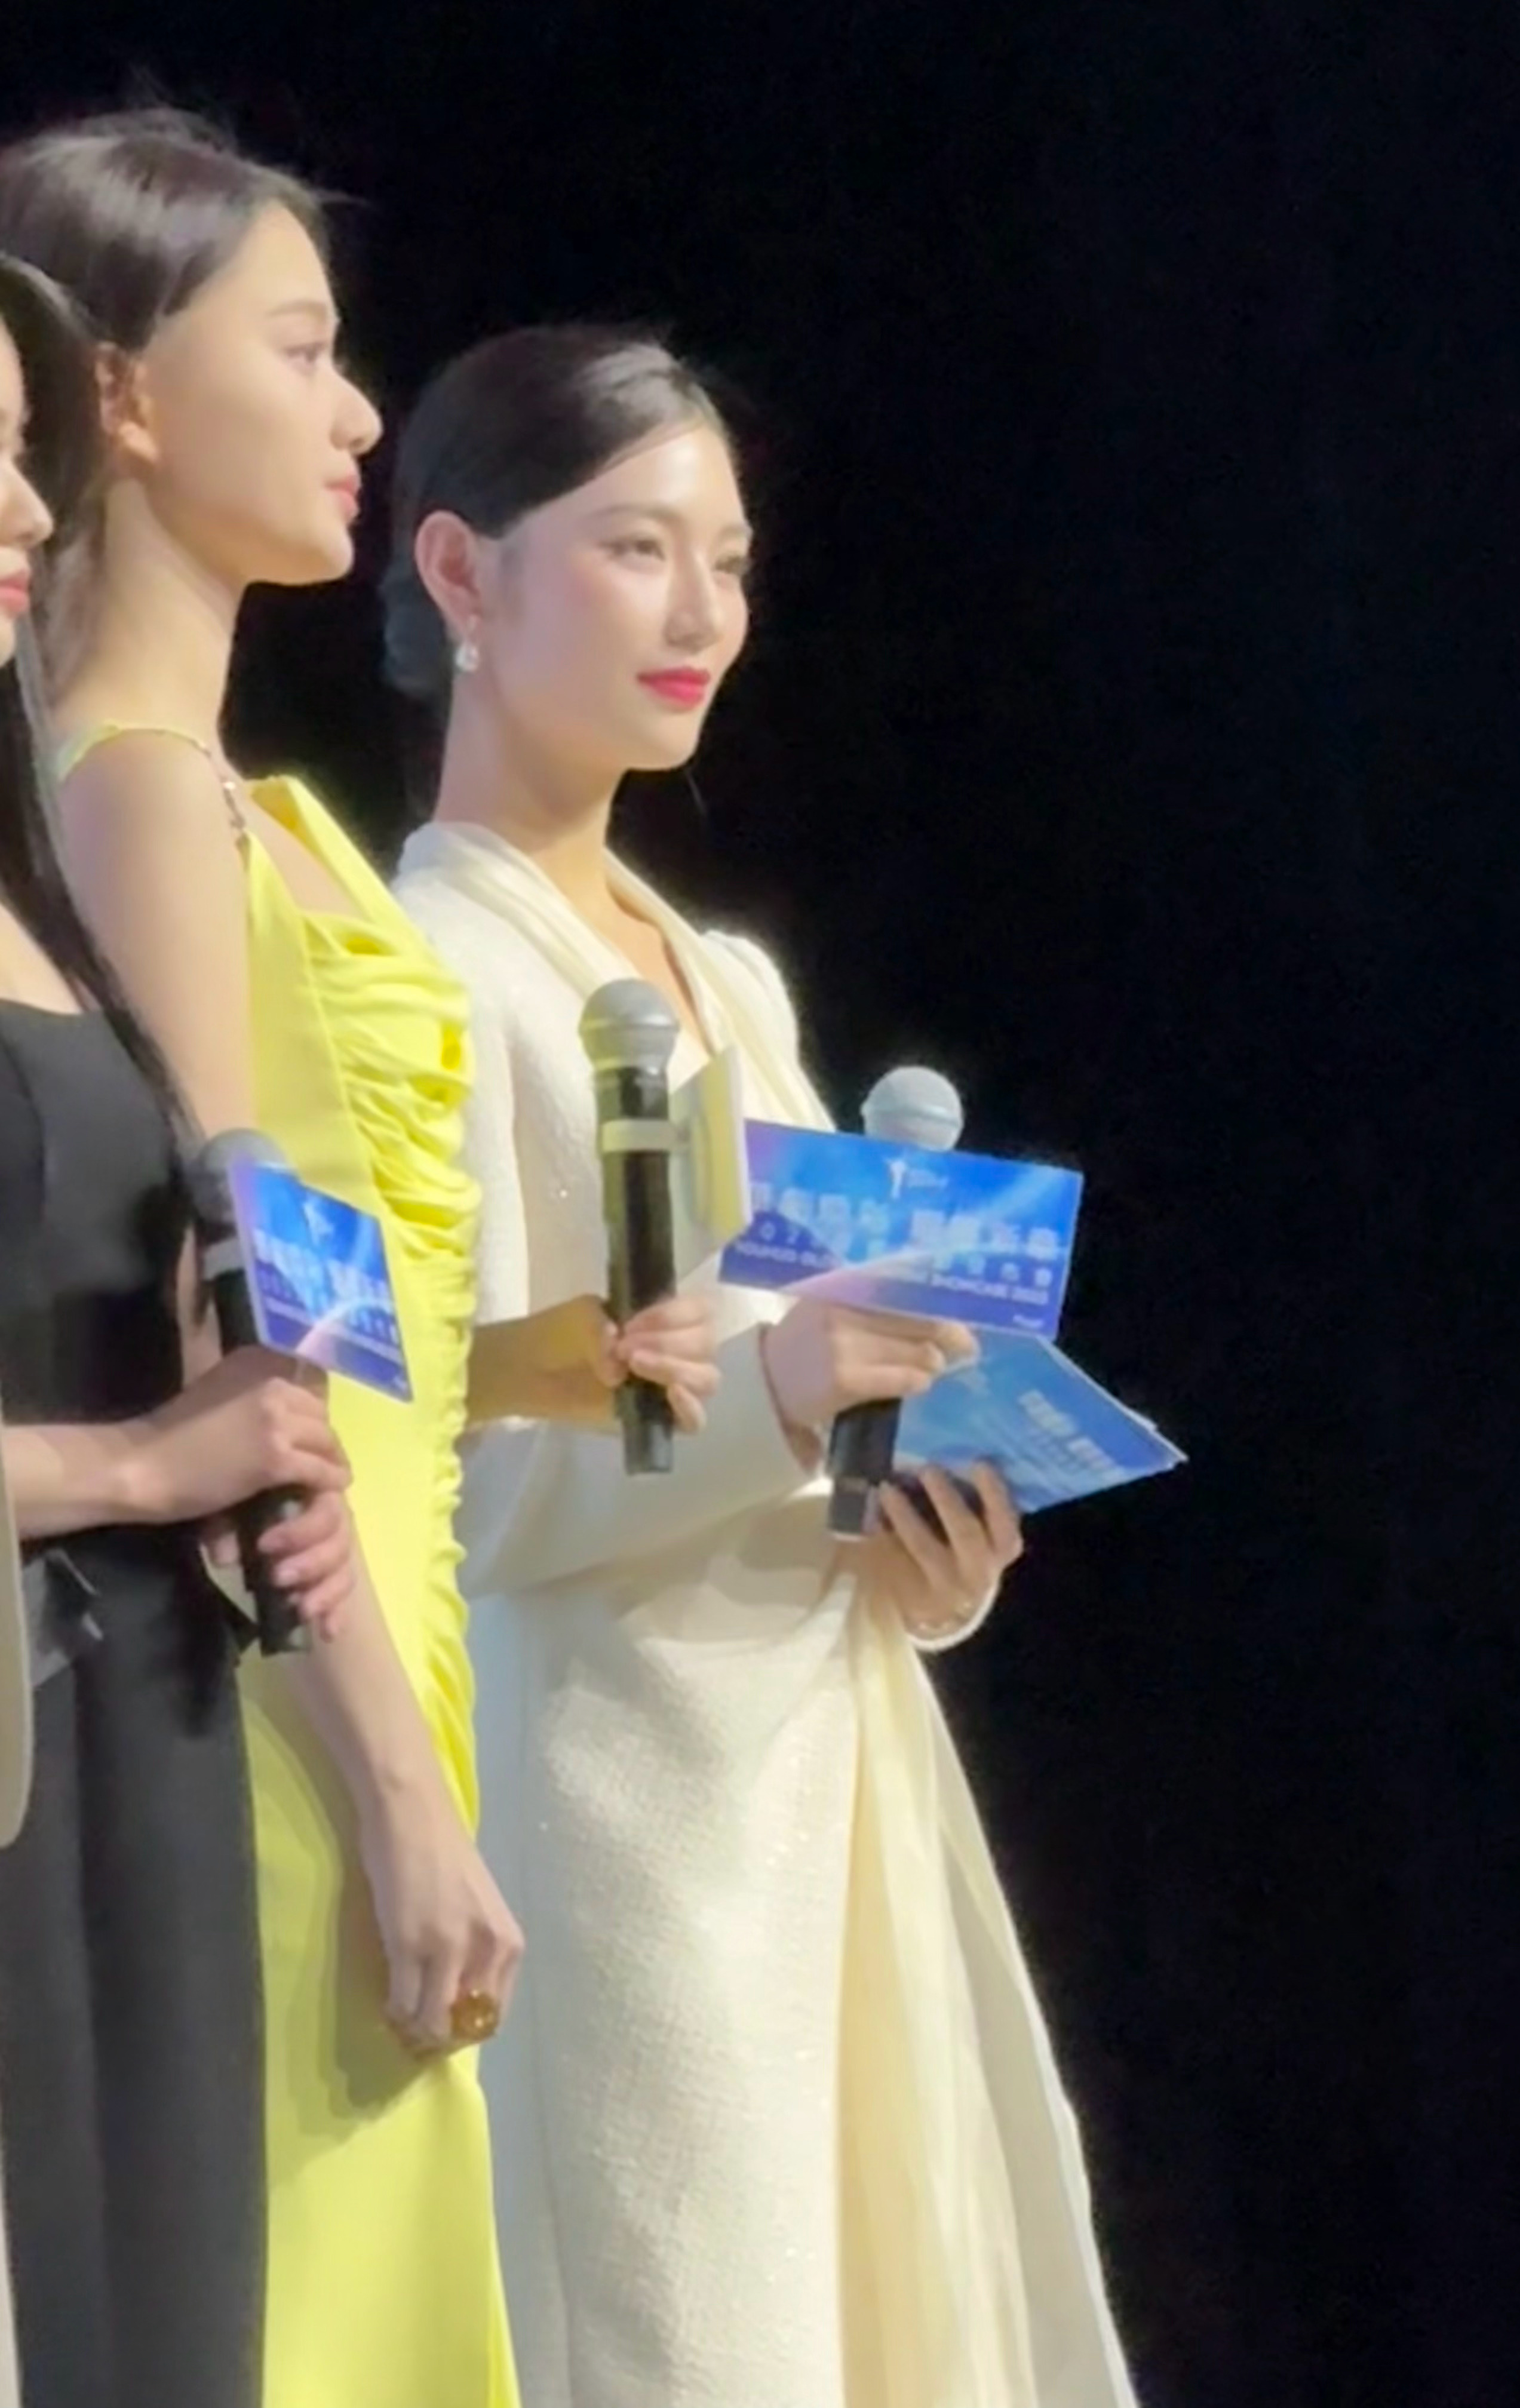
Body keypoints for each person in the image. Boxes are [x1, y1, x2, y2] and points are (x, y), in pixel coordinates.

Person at [0, 110, 707, 2408]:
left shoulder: (228, 799)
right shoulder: (127, 787)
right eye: (299, 350)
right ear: (123, 396)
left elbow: (310, 1302)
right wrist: (392, 1788)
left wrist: (546, 1361)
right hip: (283, 1669)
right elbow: (206, 1327)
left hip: (363, 1609)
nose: (357, 409)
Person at [392, 324, 1139, 2408]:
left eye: (726, 560)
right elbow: (444, 1460)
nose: (702, 614)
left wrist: (918, 1532)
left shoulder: (723, 976)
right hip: (622, 1818)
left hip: (829, 1775)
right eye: (637, 547)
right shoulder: (425, 965)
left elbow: (796, 1419)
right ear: (460, 572)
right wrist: (781, 1394)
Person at [0, 250, 360, 2406]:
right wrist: (140, 1462)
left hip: (146, 1717)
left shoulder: (33, 886)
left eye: (22, 455)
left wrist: (237, 1445)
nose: (28, 512)